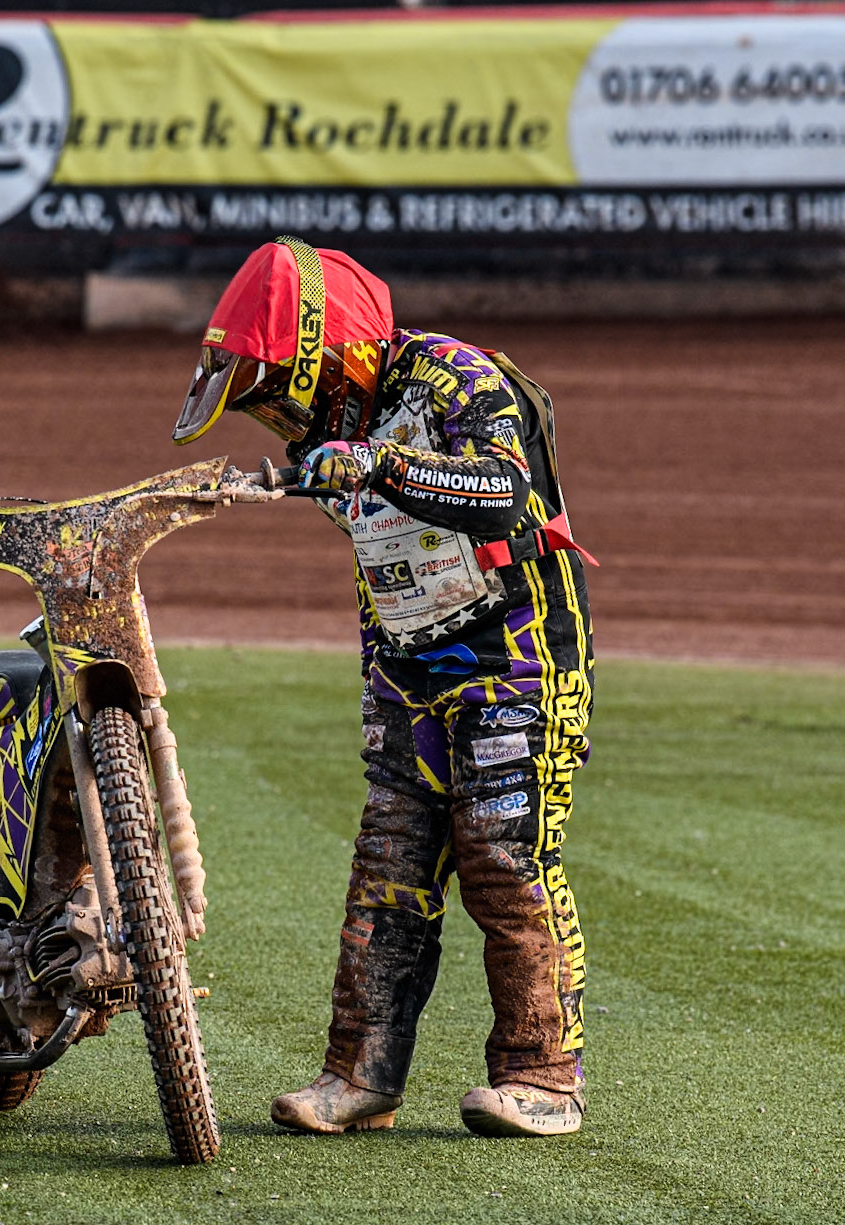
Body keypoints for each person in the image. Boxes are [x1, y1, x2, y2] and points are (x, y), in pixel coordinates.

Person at [172, 237, 596, 1138]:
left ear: (332, 357)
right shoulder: (332, 428)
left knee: (502, 859)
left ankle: (543, 1076)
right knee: (386, 873)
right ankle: (358, 1078)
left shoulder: (454, 376)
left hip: (516, 658)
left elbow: (503, 492)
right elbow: (380, 549)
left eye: (276, 393)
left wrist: (380, 463)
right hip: (403, 671)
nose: (275, 420)